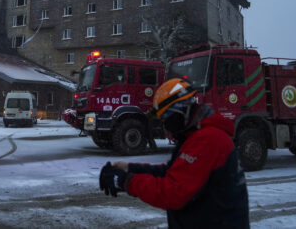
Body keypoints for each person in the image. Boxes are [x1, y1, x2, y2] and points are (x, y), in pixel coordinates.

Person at [99, 78, 250, 228]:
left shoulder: (207, 139)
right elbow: (173, 172)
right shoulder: (194, 136)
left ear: (181, 110)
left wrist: (126, 181)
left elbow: (173, 193)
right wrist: (130, 169)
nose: (165, 124)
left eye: (166, 117)